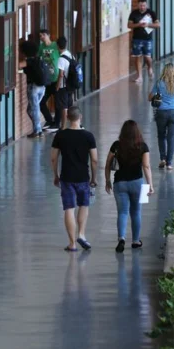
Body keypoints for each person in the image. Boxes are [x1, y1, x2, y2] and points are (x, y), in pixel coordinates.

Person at [50, 106, 99, 251]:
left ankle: (72, 244)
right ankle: (82, 234)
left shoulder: (60, 135)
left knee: (69, 209)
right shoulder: (88, 136)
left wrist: (56, 175)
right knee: (84, 205)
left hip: (66, 177)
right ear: (80, 117)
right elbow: (94, 159)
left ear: (68, 118)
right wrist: (94, 178)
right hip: (83, 177)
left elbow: (53, 158)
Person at [105, 120, 154, 252]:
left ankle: (121, 238)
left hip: (119, 183)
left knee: (122, 212)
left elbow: (108, 163)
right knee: (137, 212)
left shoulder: (116, 145)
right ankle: (136, 241)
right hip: (139, 183)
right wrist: (150, 184)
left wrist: (107, 180)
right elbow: (146, 166)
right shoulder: (143, 146)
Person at [148, 63, 174, 171]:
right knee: (171, 138)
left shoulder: (159, 83)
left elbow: (149, 97)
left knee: (161, 136)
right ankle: (169, 163)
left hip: (161, 113)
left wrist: (158, 96)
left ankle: (162, 158)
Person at [127, 0, 160, 83]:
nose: (142, 7)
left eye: (144, 5)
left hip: (147, 39)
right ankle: (139, 76)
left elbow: (158, 25)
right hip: (137, 38)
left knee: (147, 57)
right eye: (141, 5)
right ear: (138, 5)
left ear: (146, 5)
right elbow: (129, 25)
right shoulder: (134, 13)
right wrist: (138, 24)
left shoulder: (151, 13)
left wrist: (148, 24)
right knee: (137, 57)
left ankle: (149, 67)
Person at [22, 40, 46, 138]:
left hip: (33, 87)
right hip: (42, 87)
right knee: (30, 109)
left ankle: (37, 131)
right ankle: (38, 128)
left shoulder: (29, 61)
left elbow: (18, 65)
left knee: (34, 109)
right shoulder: (38, 59)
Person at [38, 30, 61, 131]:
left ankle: (57, 123)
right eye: (40, 36)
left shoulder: (55, 45)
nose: (42, 37)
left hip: (56, 78)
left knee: (58, 103)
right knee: (41, 102)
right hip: (47, 80)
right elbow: (38, 59)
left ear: (48, 35)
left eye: (43, 35)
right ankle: (49, 120)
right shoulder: (41, 47)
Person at [56, 36, 75, 130]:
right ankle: (73, 124)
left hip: (63, 86)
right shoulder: (70, 54)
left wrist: (57, 86)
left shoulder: (61, 59)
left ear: (57, 46)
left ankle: (63, 126)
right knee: (69, 104)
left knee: (64, 107)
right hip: (70, 84)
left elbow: (61, 75)